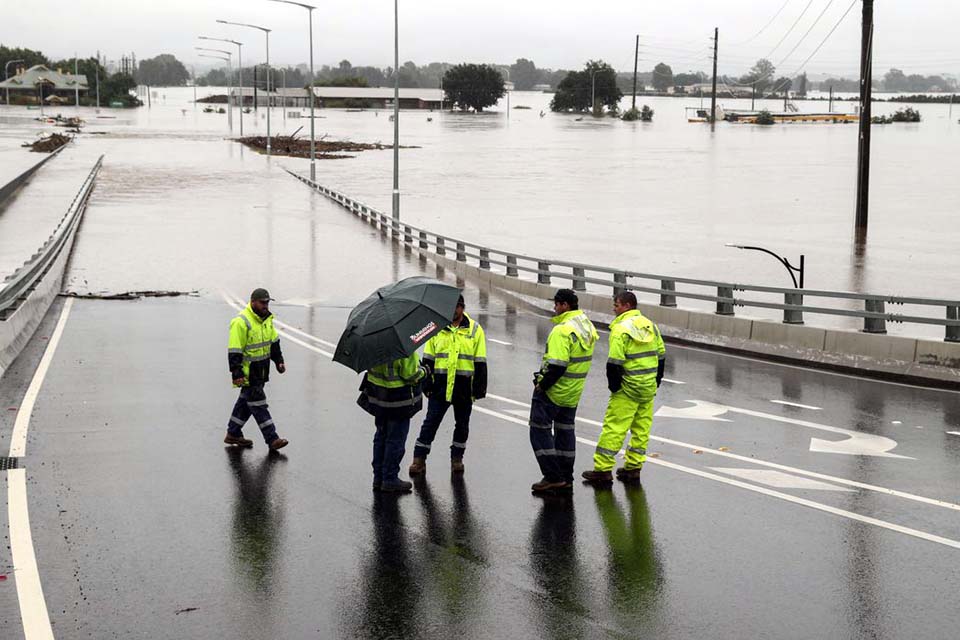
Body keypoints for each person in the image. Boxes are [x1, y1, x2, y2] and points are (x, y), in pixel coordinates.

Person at [582, 292, 665, 485]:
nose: (614, 308)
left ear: (627, 306)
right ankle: (633, 467)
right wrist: (656, 381)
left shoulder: (620, 329)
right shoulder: (650, 325)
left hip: (627, 388)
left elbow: (614, 363)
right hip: (647, 387)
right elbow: (661, 355)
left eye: (616, 305)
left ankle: (602, 470)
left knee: (614, 428)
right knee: (642, 428)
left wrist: (615, 388)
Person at [529, 289, 598, 494]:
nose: (554, 308)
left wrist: (542, 385)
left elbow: (557, 366)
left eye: (557, 304)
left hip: (554, 391)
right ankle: (566, 477)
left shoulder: (562, 330)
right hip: (573, 392)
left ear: (565, 305)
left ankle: (552, 477)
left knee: (539, 430)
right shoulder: (585, 325)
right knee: (565, 432)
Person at [409, 295, 487, 475]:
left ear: (462, 308)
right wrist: (426, 385)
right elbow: (428, 360)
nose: (453, 312)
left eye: (456, 308)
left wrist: (479, 389)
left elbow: (480, 362)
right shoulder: (436, 328)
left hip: (464, 388)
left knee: (462, 425)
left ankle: (457, 459)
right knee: (430, 424)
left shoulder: (475, 330)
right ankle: (419, 459)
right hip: (440, 387)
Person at [225, 288, 289, 451]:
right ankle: (272, 438)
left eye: (267, 302)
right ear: (253, 302)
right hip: (248, 372)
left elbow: (274, 342)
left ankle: (233, 433)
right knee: (259, 404)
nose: (265, 306)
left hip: (261, 371)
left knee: (246, 403)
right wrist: (237, 372)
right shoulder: (241, 322)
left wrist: (279, 361)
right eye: (262, 302)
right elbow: (234, 349)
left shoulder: (266, 320)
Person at [359, 352, 428, 493]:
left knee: (380, 437)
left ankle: (378, 478)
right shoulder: (403, 348)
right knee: (395, 440)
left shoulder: (373, 343)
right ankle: (390, 478)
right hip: (398, 401)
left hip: (378, 398)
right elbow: (410, 375)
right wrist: (424, 371)